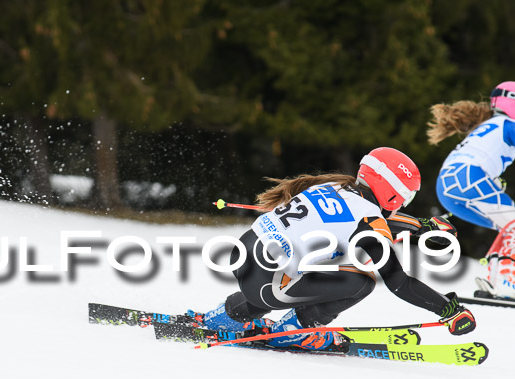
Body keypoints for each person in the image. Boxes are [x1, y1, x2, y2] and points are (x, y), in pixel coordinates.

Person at [188, 147, 476, 351]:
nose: (403, 204)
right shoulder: (370, 219)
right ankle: (293, 332)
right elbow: (399, 283)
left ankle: (224, 318)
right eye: (406, 197)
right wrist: (448, 309)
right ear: (392, 192)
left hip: (244, 256)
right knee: (361, 280)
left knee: (292, 269)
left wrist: (421, 226)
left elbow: (372, 219)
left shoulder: (332, 187)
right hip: (268, 283)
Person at [428, 81, 515, 298]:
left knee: (507, 226)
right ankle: (506, 281)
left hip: (446, 184)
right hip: (469, 176)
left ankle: (496, 280)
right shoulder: (508, 125)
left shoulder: (489, 125)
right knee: (512, 224)